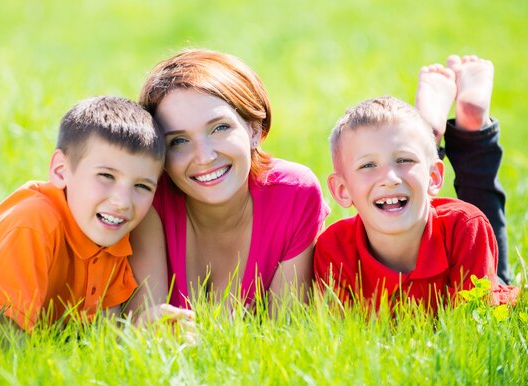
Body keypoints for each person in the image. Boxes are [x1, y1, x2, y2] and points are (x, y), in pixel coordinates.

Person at [0, 96, 179, 331]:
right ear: (60, 170)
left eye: (142, 186)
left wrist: (140, 332)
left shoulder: (112, 233)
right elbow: (6, 339)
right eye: (106, 176)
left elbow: (102, 341)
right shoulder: (34, 223)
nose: (122, 202)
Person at [130, 49, 331, 310]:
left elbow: (284, 332)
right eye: (178, 141)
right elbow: (148, 331)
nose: (204, 157)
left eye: (219, 128)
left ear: (254, 130)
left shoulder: (293, 194)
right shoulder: (150, 199)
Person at [313, 95, 519, 311]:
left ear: (434, 177)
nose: (390, 179)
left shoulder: (465, 227)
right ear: (342, 190)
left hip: (486, 280)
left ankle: (472, 128)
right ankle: (431, 124)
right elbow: (342, 336)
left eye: (404, 160)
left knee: (498, 270)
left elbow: (475, 325)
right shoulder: (334, 250)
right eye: (368, 165)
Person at [414, 55, 511, 283]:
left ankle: (421, 143)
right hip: (472, 289)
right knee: (490, 277)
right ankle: (470, 137)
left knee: (398, 198)